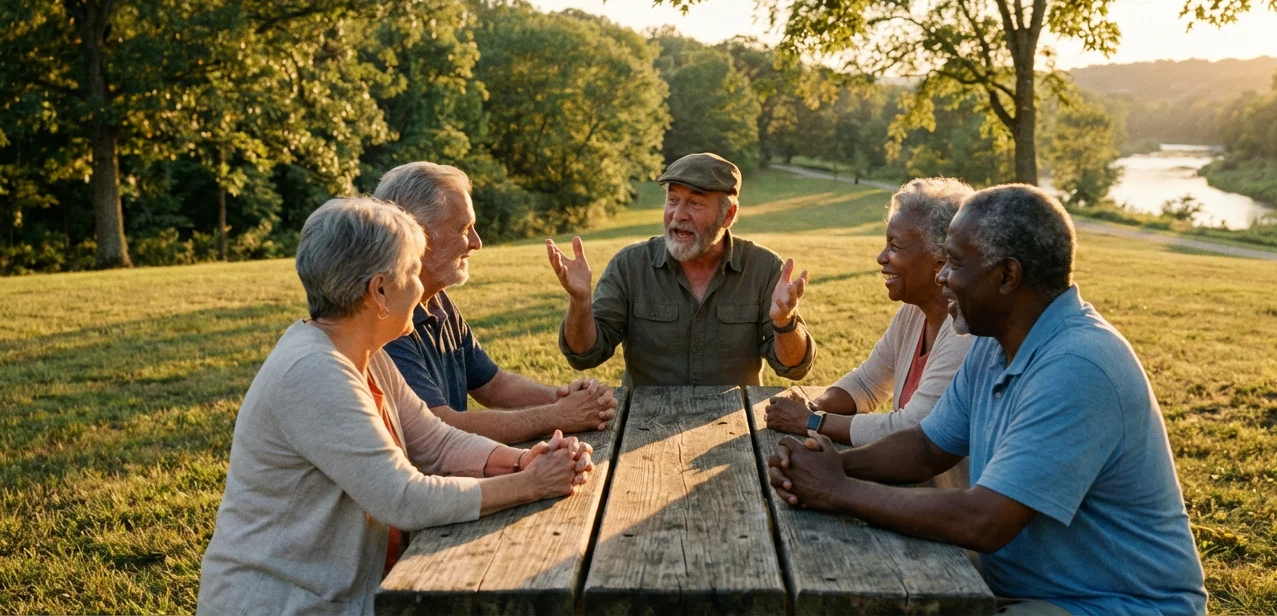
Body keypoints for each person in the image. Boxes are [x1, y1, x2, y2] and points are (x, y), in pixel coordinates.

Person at [767, 185, 1207, 615]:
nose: (941, 276)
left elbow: (986, 520)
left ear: (1007, 276)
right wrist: (827, 466)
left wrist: (839, 490)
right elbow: (926, 448)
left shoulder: (1078, 365)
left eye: (954, 263)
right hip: (1019, 582)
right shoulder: (991, 342)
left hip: (1109, 603)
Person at [198, 197, 594, 615]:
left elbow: (435, 443)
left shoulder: (364, 351)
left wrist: (523, 461)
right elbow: (403, 499)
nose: (421, 287)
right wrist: (530, 485)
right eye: (412, 271)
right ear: (380, 290)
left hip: (344, 595)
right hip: (283, 604)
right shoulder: (312, 372)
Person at [374, 162, 617, 444]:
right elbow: (437, 426)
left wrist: (565, 398)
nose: (476, 243)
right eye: (464, 229)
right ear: (417, 234)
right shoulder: (385, 317)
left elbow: (493, 385)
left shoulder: (437, 300)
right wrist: (558, 415)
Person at [764, 177, 975, 488]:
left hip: (945, 503)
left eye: (895, 246)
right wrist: (813, 406)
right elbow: (866, 382)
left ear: (940, 258)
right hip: (907, 490)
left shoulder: (967, 331)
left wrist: (811, 422)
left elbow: (912, 428)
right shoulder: (913, 313)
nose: (881, 257)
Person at [547, 152, 815, 386]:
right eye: (673, 200)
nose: (678, 215)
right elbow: (585, 355)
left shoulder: (764, 268)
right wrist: (580, 301)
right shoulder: (630, 265)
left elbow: (793, 368)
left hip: (733, 421)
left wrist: (785, 323)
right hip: (644, 423)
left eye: (695, 203)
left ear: (728, 215)